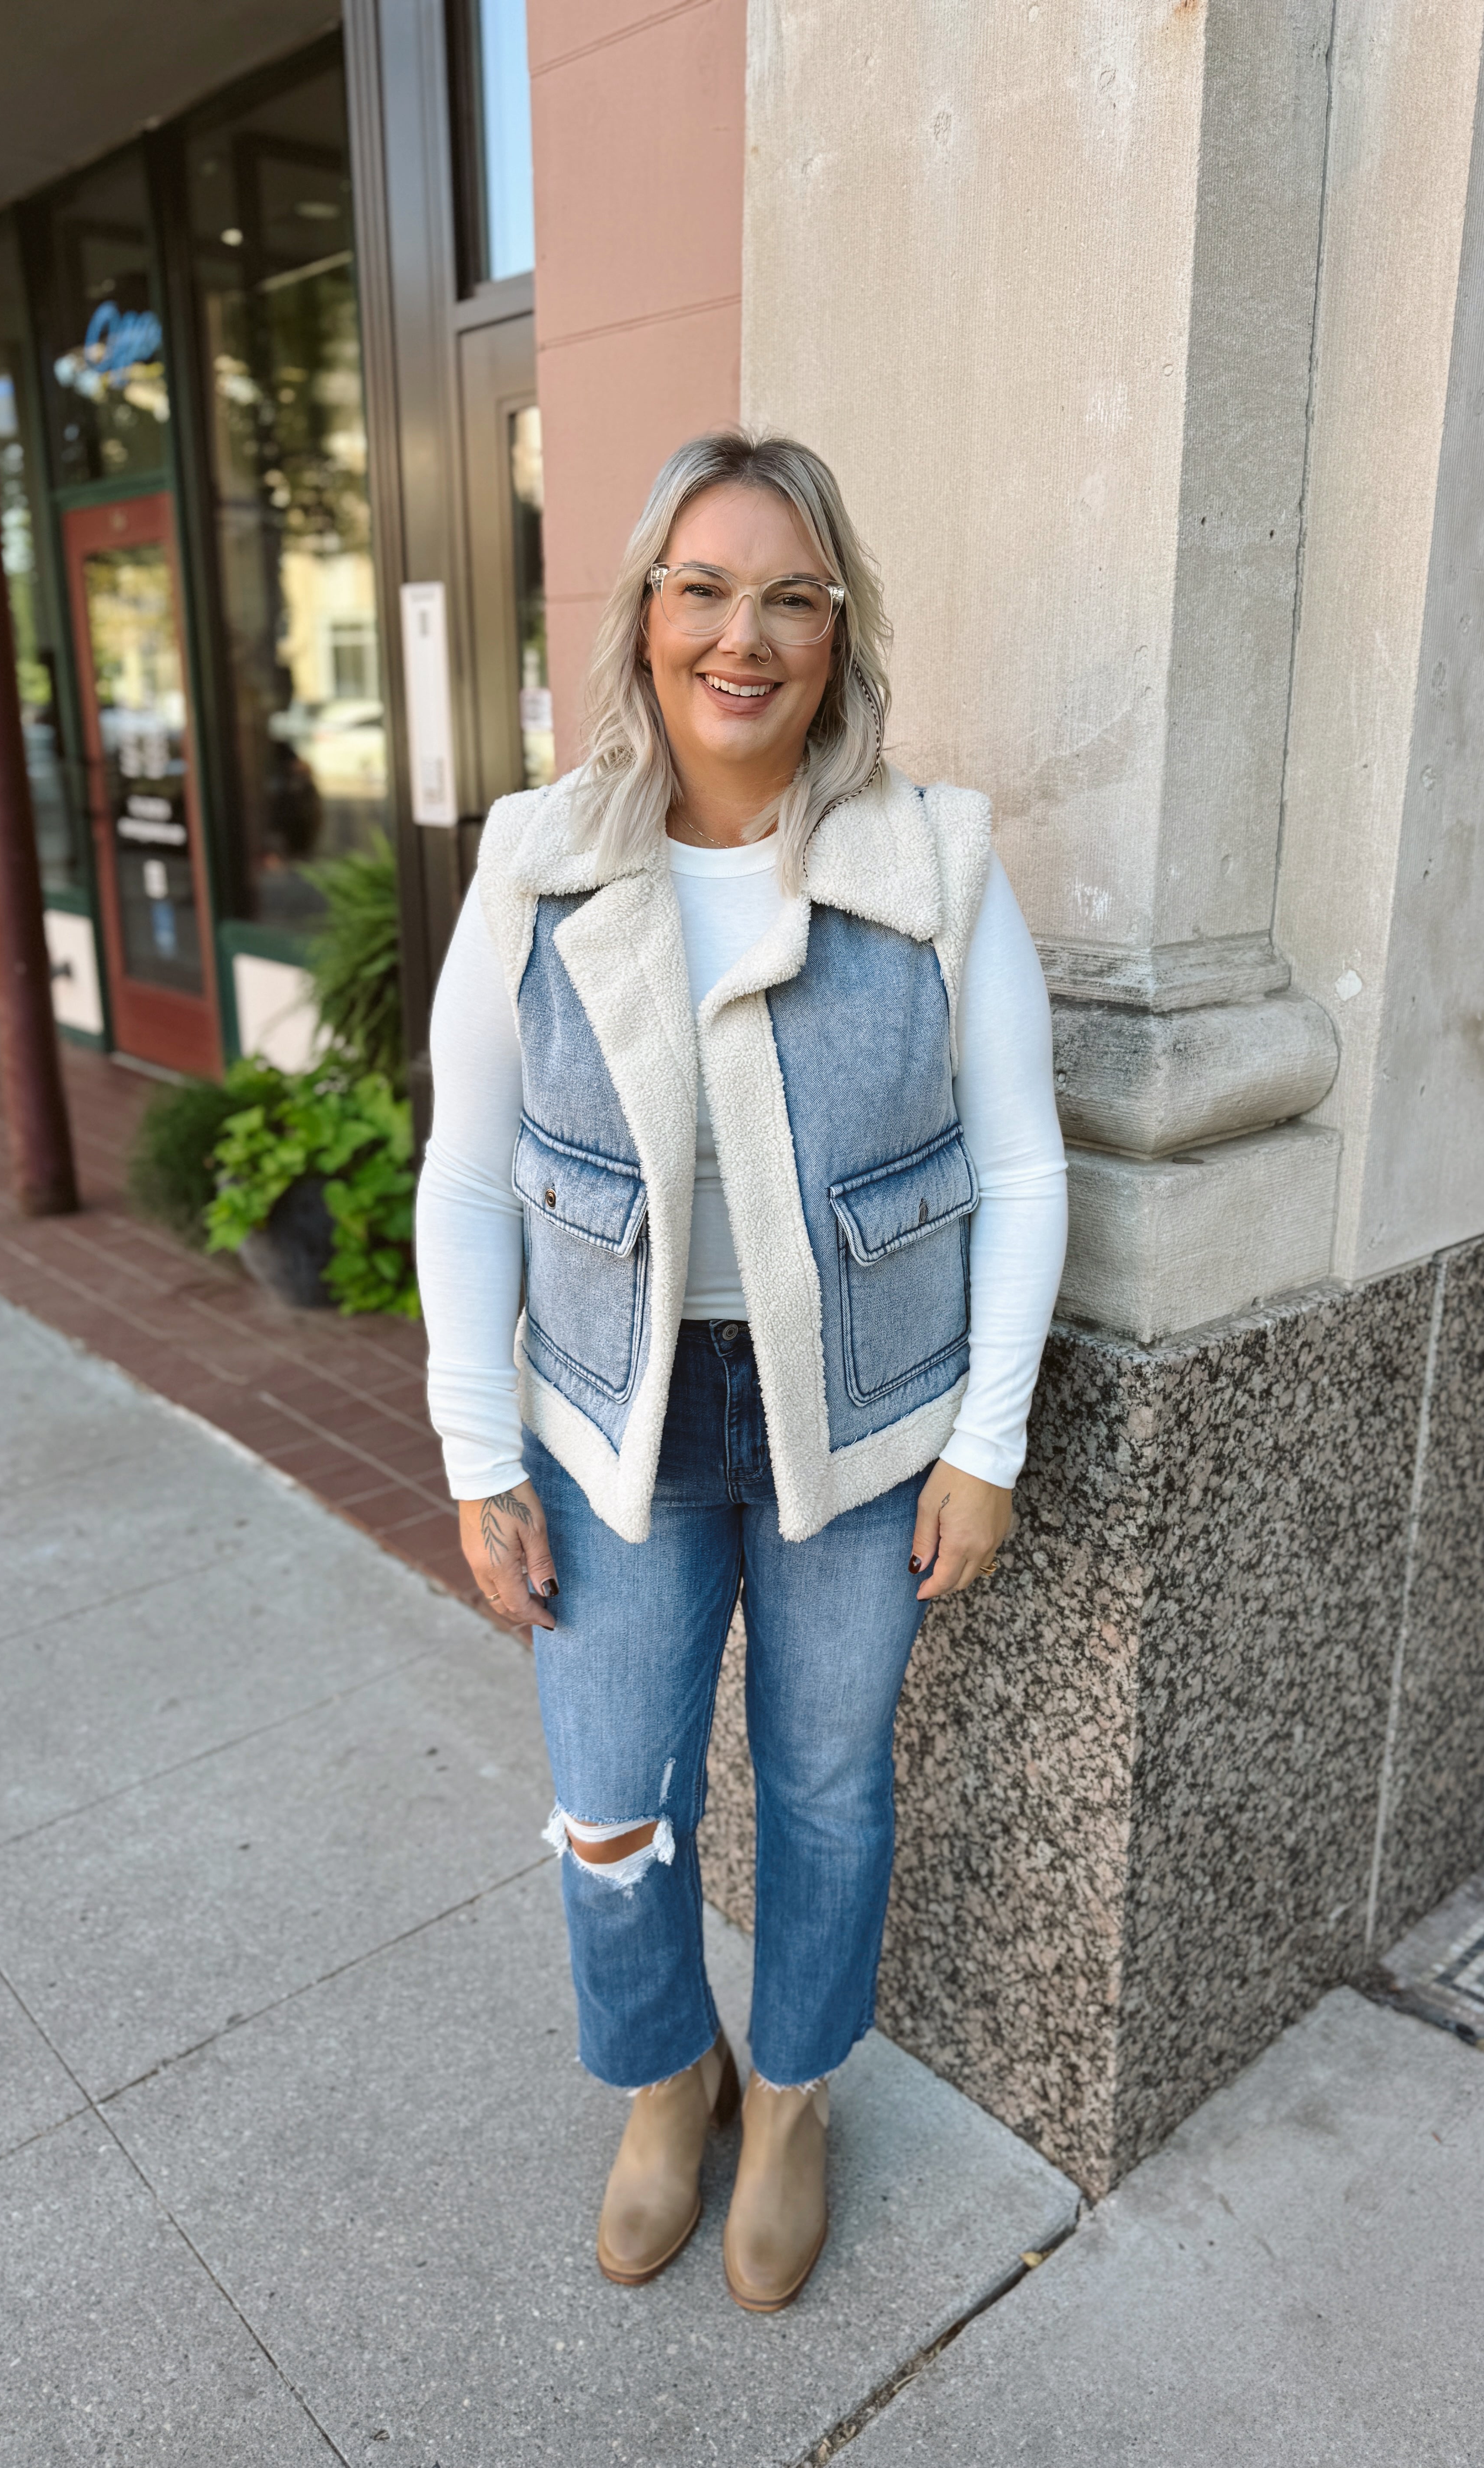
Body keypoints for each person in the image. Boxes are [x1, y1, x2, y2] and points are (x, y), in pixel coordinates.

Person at [416, 430, 1066, 2311]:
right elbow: (467, 1175)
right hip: (612, 1421)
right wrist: (477, 1450)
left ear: (836, 628)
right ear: (644, 617)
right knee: (614, 1795)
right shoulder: (539, 861)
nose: (744, 636)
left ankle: (785, 2101)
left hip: (855, 1429)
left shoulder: (934, 859)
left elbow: (1023, 1165)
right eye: (705, 589)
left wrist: (990, 1441)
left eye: (789, 596)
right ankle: (662, 2076)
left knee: (826, 1783)